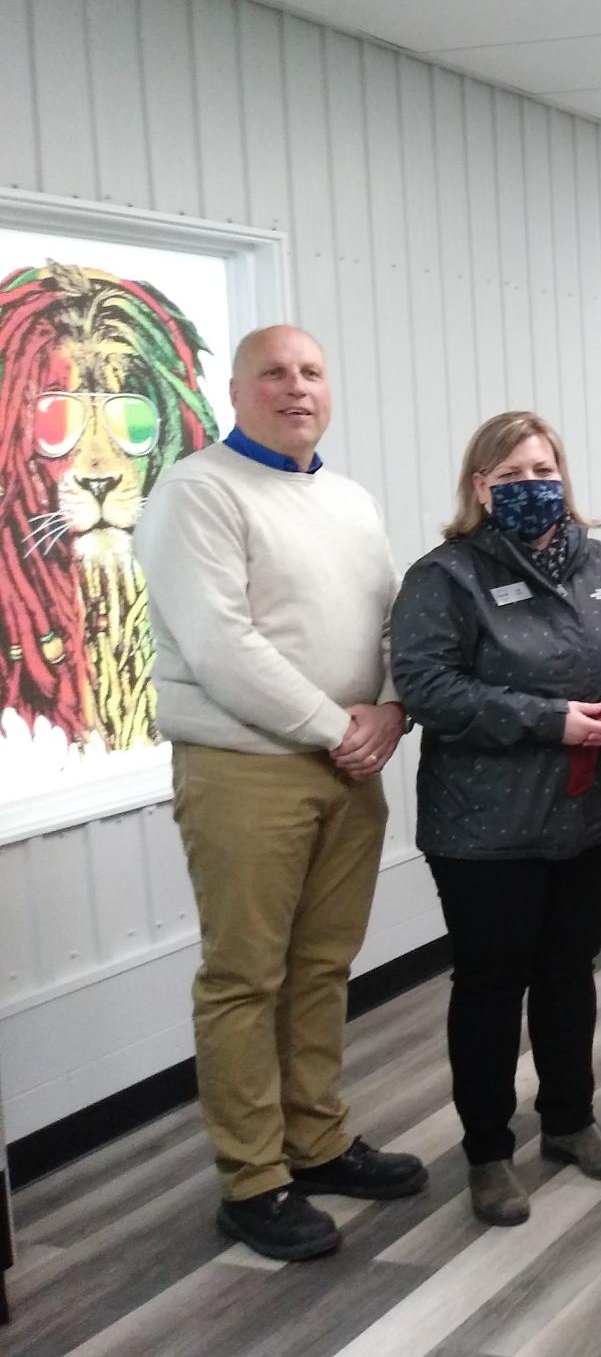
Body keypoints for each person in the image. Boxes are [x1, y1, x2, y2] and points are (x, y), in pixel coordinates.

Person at [133, 324, 425, 1262]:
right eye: (274, 374)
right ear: (236, 390)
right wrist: (342, 728)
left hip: (349, 763)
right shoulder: (199, 492)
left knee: (322, 968)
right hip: (248, 770)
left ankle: (320, 1140)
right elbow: (222, 647)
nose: (295, 388)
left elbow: (392, 623)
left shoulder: (347, 499)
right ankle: (253, 1180)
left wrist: (389, 709)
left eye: (310, 372)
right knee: (244, 978)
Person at [389, 412, 601, 1226]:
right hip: (484, 829)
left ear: (564, 474)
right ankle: (486, 1153)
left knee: (568, 973)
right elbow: (429, 689)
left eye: (540, 469)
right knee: (489, 986)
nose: (528, 486)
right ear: (479, 488)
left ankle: (570, 1121)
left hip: (582, 820)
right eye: (508, 476)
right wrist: (550, 720)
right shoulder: (445, 578)